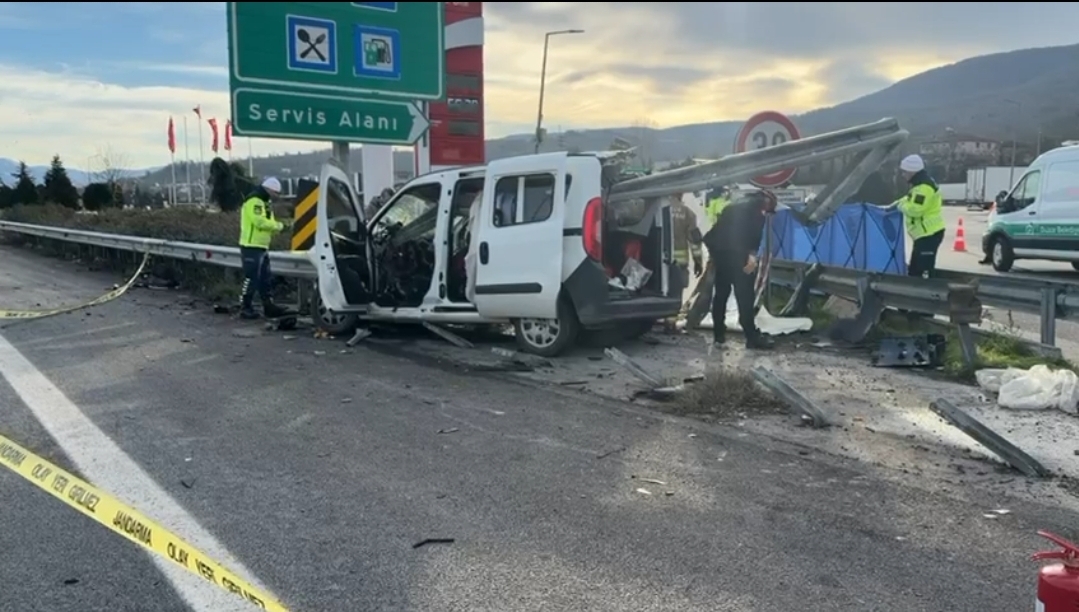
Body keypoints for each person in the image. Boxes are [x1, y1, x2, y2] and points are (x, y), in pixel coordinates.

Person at [703, 190, 777, 350]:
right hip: (739, 255)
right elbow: (754, 233)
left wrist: (714, 254)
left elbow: (713, 232)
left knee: (721, 294)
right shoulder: (756, 209)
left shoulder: (732, 206)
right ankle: (751, 337)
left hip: (721, 253)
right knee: (745, 297)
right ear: (767, 202)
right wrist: (751, 254)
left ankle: (719, 336)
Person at [238, 177, 291, 320]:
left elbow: (269, 221)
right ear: (269, 190)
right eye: (275, 193)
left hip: (261, 245)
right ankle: (245, 307)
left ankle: (269, 306)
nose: (276, 196)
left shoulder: (264, 202)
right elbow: (259, 222)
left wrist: (278, 228)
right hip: (251, 245)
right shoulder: (255, 201)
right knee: (251, 278)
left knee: (264, 279)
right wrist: (279, 227)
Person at [887, 154, 946, 278]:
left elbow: (915, 209)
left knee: (923, 271)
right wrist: (898, 202)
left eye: (904, 172)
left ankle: (927, 294)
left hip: (929, 234)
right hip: (924, 235)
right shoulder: (919, 185)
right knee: (914, 269)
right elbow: (909, 199)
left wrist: (900, 206)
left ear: (912, 171)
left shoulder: (924, 188)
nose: (903, 175)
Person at [671, 193, 704, 285]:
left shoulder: (652, 207)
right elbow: (695, 241)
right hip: (679, 263)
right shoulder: (687, 213)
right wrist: (698, 262)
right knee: (677, 292)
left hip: (654, 261)